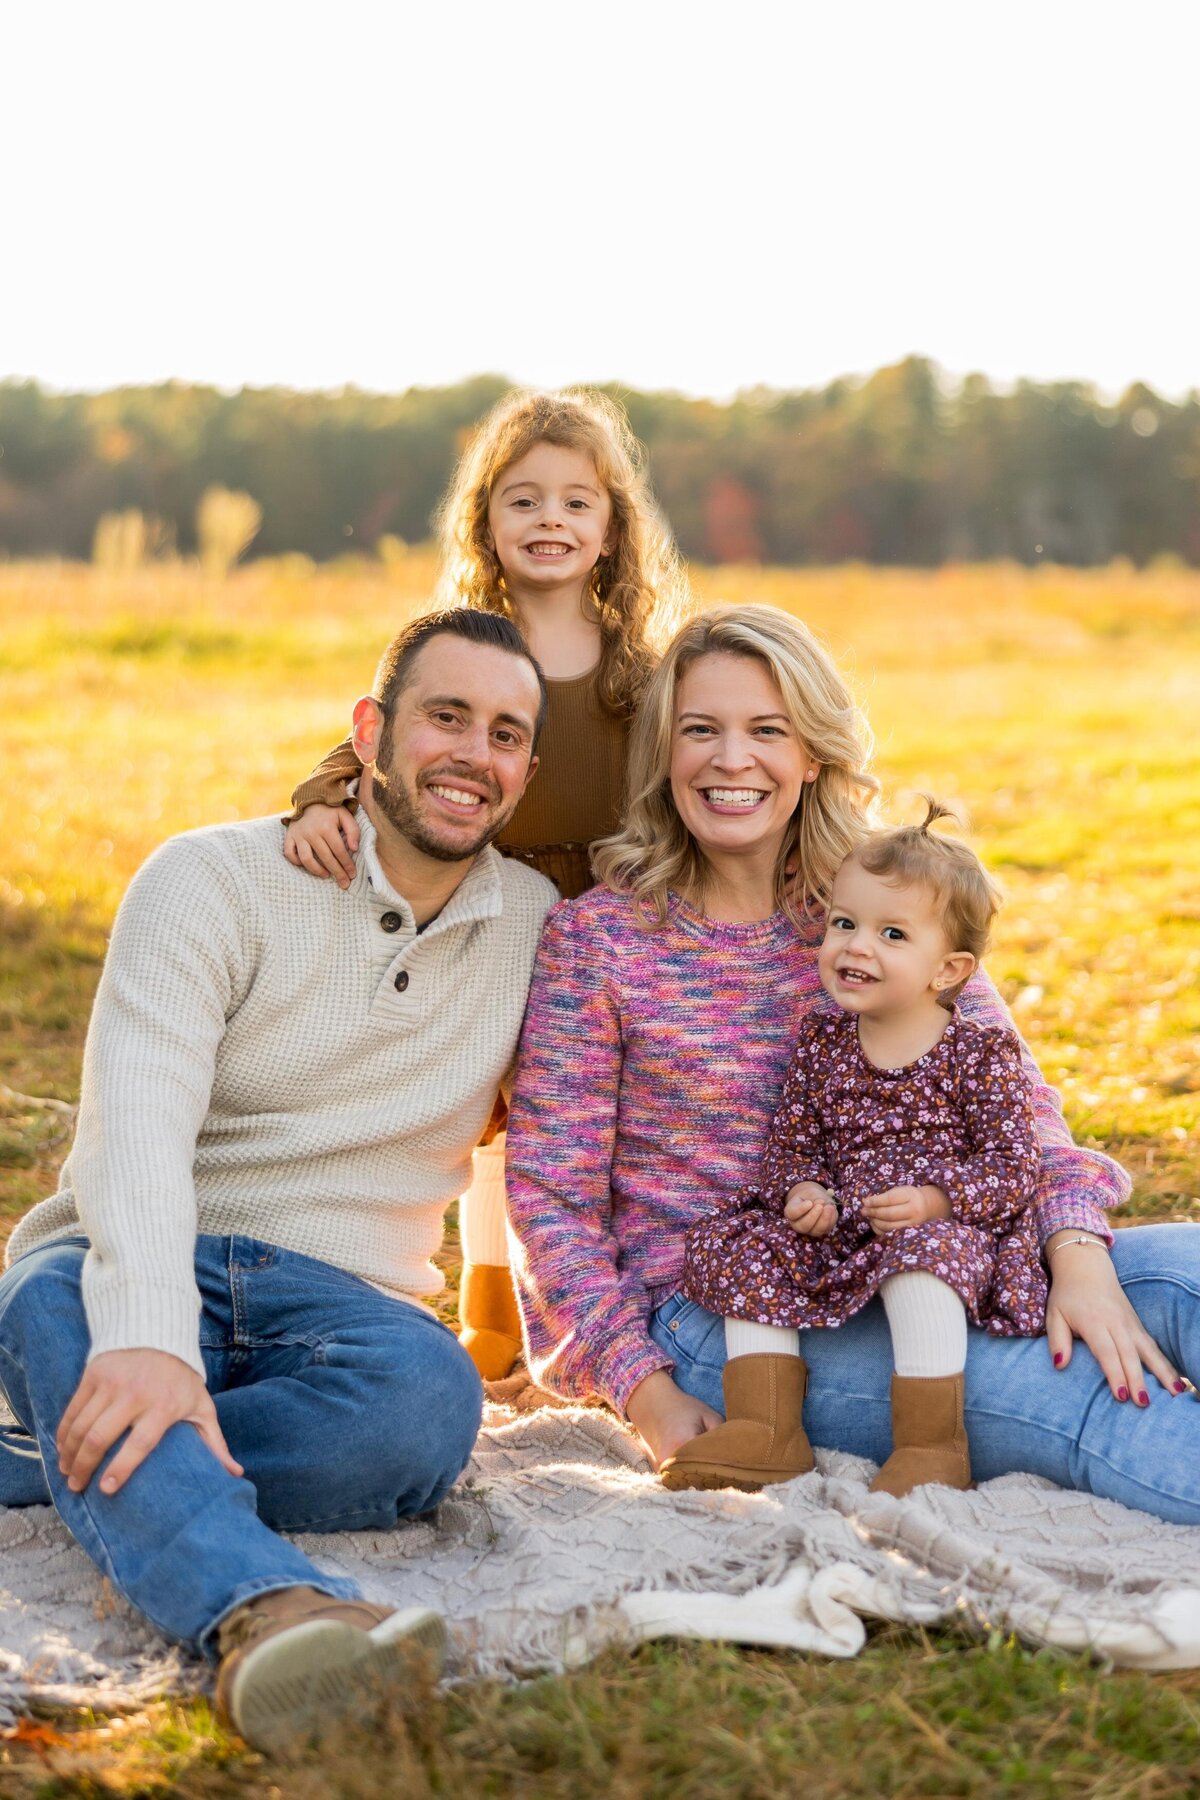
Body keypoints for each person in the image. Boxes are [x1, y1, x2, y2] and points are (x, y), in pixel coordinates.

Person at [505, 603, 1200, 1525]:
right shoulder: (599, 942)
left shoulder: (876, 908)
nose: (730, 759)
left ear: (813, 755)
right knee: (1093, 1398)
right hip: (741, 1312)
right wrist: (647, 1391)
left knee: (1186, 1272)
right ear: (664, 754)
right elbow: (551, 1202)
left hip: (934, 1248)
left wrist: (1075, 1253)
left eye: (766, 730)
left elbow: (1019, 1106)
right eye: (699, 730)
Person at [0, 608, 557, 1755]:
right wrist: (150, 1333)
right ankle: (268, 1610)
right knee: (50, 1306)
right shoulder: (210, 878)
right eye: (445, 717)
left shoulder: (541, 933)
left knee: (430, 1403)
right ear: (369, 732)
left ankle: (57, 1456)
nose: (474, 755)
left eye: (505, 734)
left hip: (343, 1307)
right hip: (145, 1252)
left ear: (526, 771)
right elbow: (135, 1124)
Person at [282, 387, 686, 1380]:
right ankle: (488, 1296)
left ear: (611, 529)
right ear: (486, 521)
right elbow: (379, 740)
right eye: (524, 500)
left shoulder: (639, 670)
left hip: (604, 916)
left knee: (579, 1115)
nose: (550, 520)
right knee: (484, 1104)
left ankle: (592, 1293)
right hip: (487, 903)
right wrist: (320, 800)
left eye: (575, 503)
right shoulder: (464, 645)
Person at [669, 803, 1045, 1498]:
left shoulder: (978, 1052)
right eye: (844, 923)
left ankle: (931, 1444)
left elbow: (1015, 1166)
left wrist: (936, 1201)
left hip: (940, 1230)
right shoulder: (824, 1042)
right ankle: (767, 1427)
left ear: (948, 967)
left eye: (892, 933)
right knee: (744, 1240)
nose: (856, 946)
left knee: (922, 1257)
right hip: (844, 1230)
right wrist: (803, 1192)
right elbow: (793, 1142)